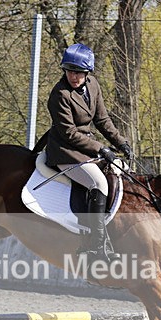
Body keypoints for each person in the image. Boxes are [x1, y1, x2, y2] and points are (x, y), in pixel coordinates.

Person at [45, 43, 133, 263]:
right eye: (69, 71)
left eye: (78, 72)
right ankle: (95, 244)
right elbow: (70, 134)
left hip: (85, 146)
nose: (73, 76)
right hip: (65, 151)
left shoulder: (93, 85)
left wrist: (121, 143)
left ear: (87, 73)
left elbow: (102, 119)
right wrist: (101, 149)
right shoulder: (59, 94)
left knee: (119, 171)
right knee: (98, 184)